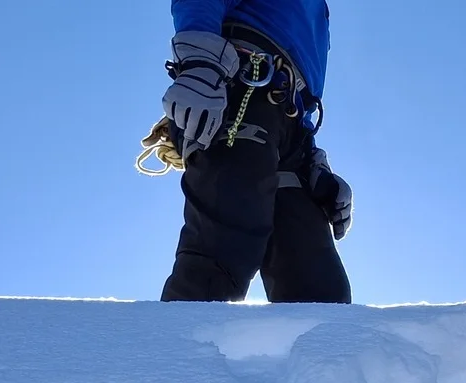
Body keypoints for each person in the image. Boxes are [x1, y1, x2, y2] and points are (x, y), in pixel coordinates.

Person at [149, 0, 354, 303]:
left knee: (317, 280)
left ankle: (326, 337)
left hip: (288, 122)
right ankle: (182, 335)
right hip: (242, 88)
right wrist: (200, 64)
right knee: (224, 248)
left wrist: (313, 160)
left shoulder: (318, 13)